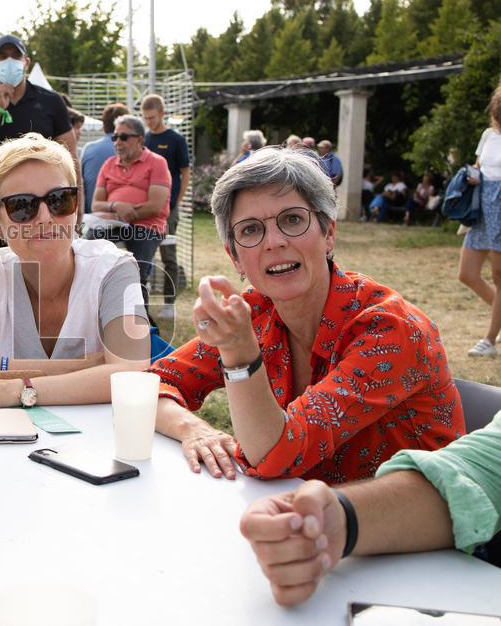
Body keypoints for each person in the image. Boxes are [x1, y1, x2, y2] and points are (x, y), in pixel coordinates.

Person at [148, 147, 464, 482]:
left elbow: (274, 455)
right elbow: (151, 384)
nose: (274, 241)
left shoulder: (390, 329)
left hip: (416, 528)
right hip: (307, 516)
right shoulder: (256, 311)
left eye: (293, 220)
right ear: (236, 258)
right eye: (251, 230)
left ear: (328, 234)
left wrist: (239, 356)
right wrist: (194, 429)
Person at [0, 134, 149, 407]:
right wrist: (83, 367)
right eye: (22, 206)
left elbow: (132, 375)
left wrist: (17, 389)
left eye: (59, 200)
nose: (45, 217)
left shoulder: (115, 269)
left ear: (76, 207)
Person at [240, 412, 501, 606]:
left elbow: (273, 449)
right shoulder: (269, 337)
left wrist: (239, 356)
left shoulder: (393, 341)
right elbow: (480, 469)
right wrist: (342, 519)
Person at [0, 35, 77, 257]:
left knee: (41, 273)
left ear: (26, 63)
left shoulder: (50, 102)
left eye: (16, 56)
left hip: (43, 208)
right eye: (3, 57)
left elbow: (71, 161)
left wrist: (75, 211)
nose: (10, 61)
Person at [92, 114, 171, 323]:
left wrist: (130, 212)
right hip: (112, 223)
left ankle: (141, 323)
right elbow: (96, 205)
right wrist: (116, 206)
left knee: (136, 271)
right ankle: (99, 316)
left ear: (139, 139)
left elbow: (155, 205)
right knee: (89, 255)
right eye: (115, 137)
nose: (118, 142)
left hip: (146, 225)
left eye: (124, 137)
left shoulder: (157, 163)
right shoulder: (109, 164)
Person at [460, 79, 501, 358]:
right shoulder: (488, 135)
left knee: (500, 277)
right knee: (468, 274)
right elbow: (478, 168)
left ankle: (490, 338)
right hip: (481, 208)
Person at [142, 94, 190, 317]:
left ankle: (169, 302)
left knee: (168, 255)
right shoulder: (144, 138)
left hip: (169, 209)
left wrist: (176, 202)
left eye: (152, 117)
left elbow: (185, 172)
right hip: (147, 209)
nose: (149, 122)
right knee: (145, 255)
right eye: (145, 118)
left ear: (162, 114)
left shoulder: (176, 140)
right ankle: (145, 300)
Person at [81, 103, 129, 214]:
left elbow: (81, 184)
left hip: (91, 217)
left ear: (104, 124)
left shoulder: (88, 149)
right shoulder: (132, 150)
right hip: (124, 218)